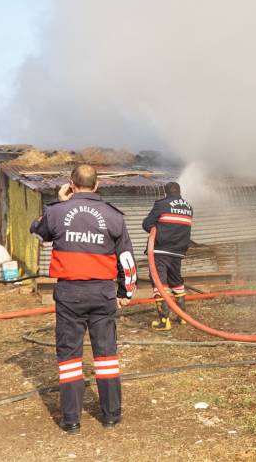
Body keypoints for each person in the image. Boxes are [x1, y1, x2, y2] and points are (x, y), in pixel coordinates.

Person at [30, 164, 137, 434]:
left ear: (71, 184)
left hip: (70, 295)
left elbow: (37, 232)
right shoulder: (113, 215)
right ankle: (111, 415)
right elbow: (126, 258)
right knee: (106, 356)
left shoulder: (55, 212)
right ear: (97, 185)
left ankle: (72, 420)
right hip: (102, 294)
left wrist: (60, 202)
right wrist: (126, 292)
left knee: (69, 357)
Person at [141, 181, 193, 331]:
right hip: (178, 252)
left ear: (166, 192)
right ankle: (182, 317)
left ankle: (164, 321)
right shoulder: (189, 207)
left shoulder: (162, 204)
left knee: (160, 284)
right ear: (180, 192)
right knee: (176, 282)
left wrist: (156, 229)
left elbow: (146, 224)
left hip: (160, 251)